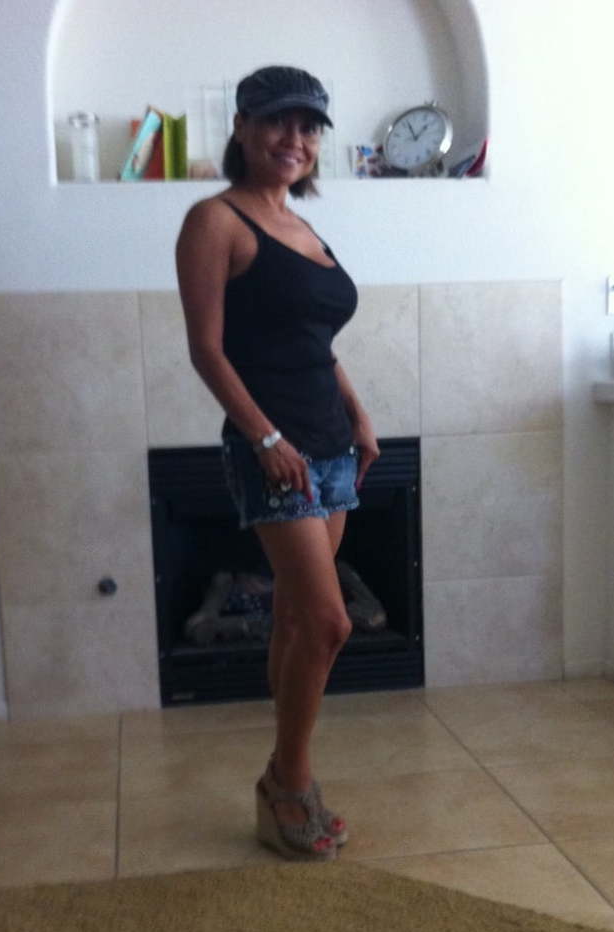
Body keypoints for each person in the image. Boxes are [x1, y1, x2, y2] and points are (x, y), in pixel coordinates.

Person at [175, 65, 380, 861]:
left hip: (330, 447)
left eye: (308, 126)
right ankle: (288, 782)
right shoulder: (214, 220)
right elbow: (207, 350)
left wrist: (358, 415)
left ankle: (281, 780)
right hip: (274, 454)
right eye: (277, 121)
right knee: (329, 623)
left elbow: (314, 344)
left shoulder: (300, 225)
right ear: (242, 126)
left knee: (299, 620)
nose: (294, 139)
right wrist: (265, 440)